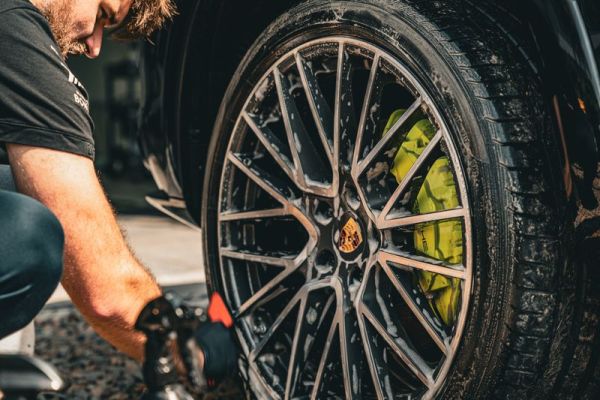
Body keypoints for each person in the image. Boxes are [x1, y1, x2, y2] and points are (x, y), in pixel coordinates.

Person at [0, 0, 236, 387]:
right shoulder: (12, 28)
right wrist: (189, 349)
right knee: (30, 233)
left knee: (18, 183)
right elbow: (105, 290)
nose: (94, 47)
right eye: (103, 16)